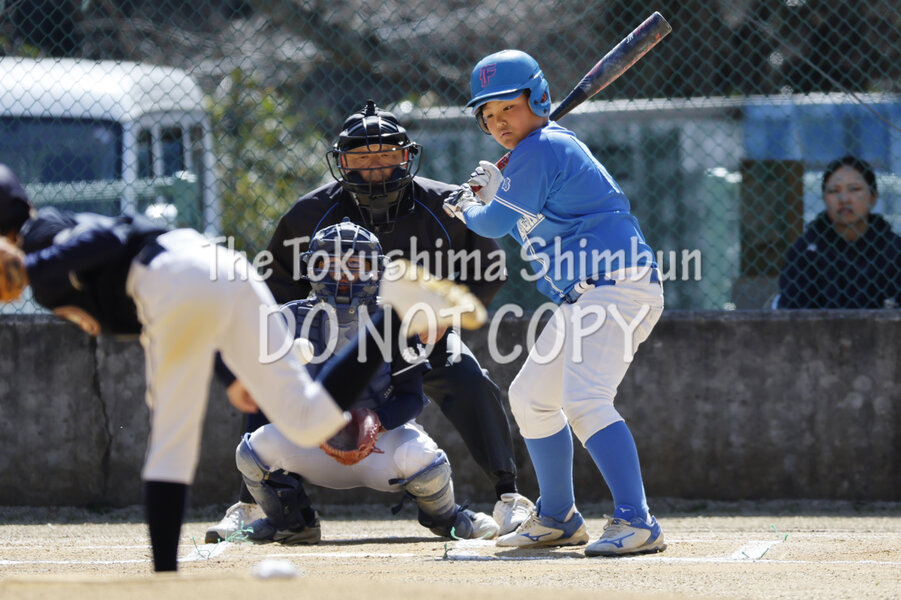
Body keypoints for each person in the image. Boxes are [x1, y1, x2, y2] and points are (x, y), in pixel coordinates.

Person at [0, 163, 485, 571]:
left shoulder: (37, 237)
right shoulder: (46, 270)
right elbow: (190, 314)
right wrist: (232, 375)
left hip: (174, 278)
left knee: (170, 444)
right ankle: (396, 310)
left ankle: (163, 579)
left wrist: (29, 265)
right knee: (308, 417)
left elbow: (112, 239)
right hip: (222, 270)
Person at [206, 100, 534, 543]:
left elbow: (489, 271)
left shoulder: (446, 205)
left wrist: (447, 316)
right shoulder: (309, 213)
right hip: (330, 339)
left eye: (386, 154)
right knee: (271, 372)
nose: (375, 167)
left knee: (468, 376)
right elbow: (276, 289)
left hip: (418, 335)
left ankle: (510, 497)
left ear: (407, 156)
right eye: (361, 158)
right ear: (342, 163)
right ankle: (250, 506)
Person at [443, 49, 666, 557]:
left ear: (539, 99)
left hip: (615, 285)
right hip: (583, 295)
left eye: (509, 107)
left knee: (586, 399)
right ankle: (558, 517)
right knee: (532, 399)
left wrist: (470, 205)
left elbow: (493, 224)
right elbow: (526, 223)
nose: (499, 122)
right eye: (488, 114)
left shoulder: (543, 147)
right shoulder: (536, 152)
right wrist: (494, 195)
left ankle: (638, 520)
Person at [236, 219, 499, 544]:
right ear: (311, 268)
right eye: (330, 264)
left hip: (379, 446)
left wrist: (376, 422)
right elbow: (262, 395)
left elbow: (411, 397)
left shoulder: (395, 320)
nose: (342, 275)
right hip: (311, 444)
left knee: (424, 459)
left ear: (376, 271)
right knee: (253, 449)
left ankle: (449, 519)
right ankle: (292, 523)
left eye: (355, 265)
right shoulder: (288, 319)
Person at [777, 155, 901, 309]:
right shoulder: (806, 251)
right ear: (824, 198)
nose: (844, 199)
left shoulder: (894, 250)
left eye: (854, 189)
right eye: (834, 191)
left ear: (873, 197)